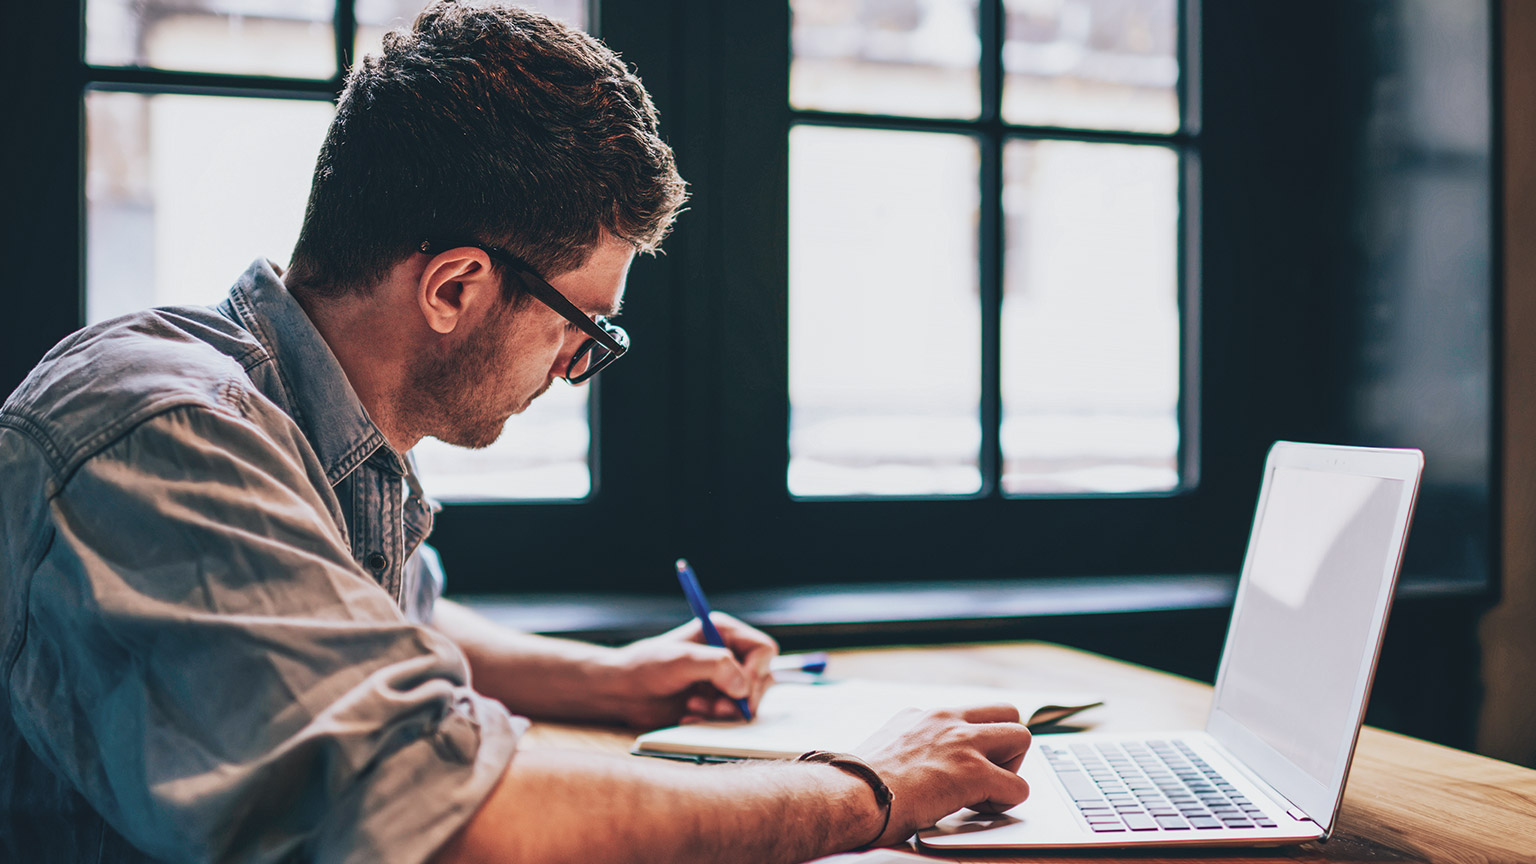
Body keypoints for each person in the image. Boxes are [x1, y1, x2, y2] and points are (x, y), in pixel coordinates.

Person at [0, 3, 1033, 862]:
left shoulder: (313, 424)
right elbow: (445, 812)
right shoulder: (163, 433)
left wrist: (611, 680)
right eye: (583, 329)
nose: (578, 368)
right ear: (454, 287)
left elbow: (380, 625)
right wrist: (869, 789)